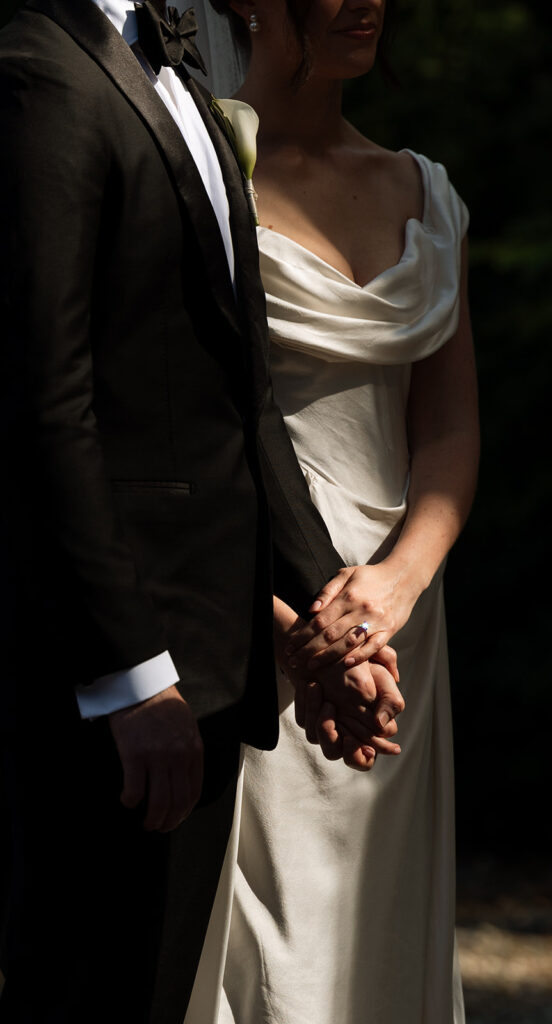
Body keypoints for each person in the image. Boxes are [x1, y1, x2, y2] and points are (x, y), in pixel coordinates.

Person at [0, 0, 405, 1020]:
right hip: (117, 683)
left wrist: (333, 625)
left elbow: (242, 396)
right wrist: (128, 679)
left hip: (217, 671)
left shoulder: (169, 64)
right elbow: (43, 401)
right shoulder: (36, 67)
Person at [185, 0, 480, 1021]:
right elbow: (179, 432)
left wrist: (390, 591)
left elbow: (447, 434)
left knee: (376, 949)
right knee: (264, 955)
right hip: (248, 617)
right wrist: (305, 634)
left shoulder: (421, 190)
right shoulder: (197, 174)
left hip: (400, 629)